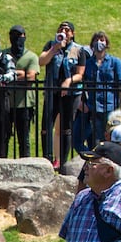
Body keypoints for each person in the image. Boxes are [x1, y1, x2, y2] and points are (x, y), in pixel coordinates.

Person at [40, 21, 82, 166]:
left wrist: (68, 81)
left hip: (71, 94)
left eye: (68, 30)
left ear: (72, 34)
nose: (64, 32)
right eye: (61, 29)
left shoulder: (78, 50)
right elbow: (41, 61)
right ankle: (47, 159)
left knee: (66, 128)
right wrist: (54, 49)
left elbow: (80, 74)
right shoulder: (51, 45)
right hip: (52, 92)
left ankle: (63, 162)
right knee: (46, 127)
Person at [81, 32, 121, 154]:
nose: (99, 42)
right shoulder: (88, 63)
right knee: (96, 137)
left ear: (106, 44)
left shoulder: (115, 62)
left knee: (112, 135)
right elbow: (82, 83)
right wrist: (82, 101)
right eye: (96, 40)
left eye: (102, 39)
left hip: (110, 105)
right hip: (93, 106)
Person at [8, 26, 40, 158]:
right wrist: (21, 74)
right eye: (14, 35)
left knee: (24, 140)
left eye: (20, 36)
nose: (17, 39)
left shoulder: (31, 56)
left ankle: (25, 161)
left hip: (25, 104)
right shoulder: (5, 55)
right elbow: (1, 75)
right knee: (3, 137)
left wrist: (12, 75)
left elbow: (31, 77)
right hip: (7, 103)